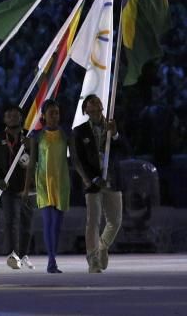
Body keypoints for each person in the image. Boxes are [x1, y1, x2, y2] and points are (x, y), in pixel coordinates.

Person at [70, 94, 124, 274]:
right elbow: (77, 160)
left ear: (102, 107)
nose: (95, 105)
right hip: (93, 182)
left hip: (112, 181)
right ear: (85, 110)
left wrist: (115, 134)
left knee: (115, 221)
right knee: (93, 221)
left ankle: (103, 246)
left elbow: (126, 149)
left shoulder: (111, 126)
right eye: (91, 103)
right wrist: (91, 178)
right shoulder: (79, 131)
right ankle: (92, 259)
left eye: (97, 102)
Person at [0, 106, 35, 270]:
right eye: (9, 115)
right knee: (11, 223)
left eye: (16, 115)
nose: (12, 118)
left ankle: (24, 255)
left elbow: (40, 159)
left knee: (27, 224)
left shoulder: (30, 137)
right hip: (8, 188)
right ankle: (13, 255)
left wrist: (32, 146)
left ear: (21, 118)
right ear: (4, 120)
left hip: (29, 188)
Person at [25, 100, 70, 274]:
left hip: (61, 182)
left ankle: (53, 256)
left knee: (57, 225)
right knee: (48, 222)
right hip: (44, 182)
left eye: (57, 113)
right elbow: (31, 163)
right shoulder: (37, 136)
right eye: (51, 113)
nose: (55, 116)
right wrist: (27, 187)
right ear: (43, 115)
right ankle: (51, 260)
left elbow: (75, 158)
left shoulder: (66, 134)